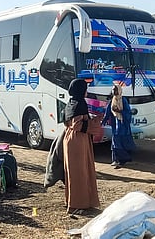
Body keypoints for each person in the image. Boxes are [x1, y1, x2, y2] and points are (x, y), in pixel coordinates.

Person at [62, 79, 99, 214]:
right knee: (79, 173)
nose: (86, 91)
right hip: (77, 140)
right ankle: (77, 204)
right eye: (85, 88)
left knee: (77, 171)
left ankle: (79, 202)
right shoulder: (79, 104)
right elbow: (77, 125)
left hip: (72, 138)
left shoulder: (71, 103)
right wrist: (96, 121)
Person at [102, 84, 135, 169]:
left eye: (115, 90)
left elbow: (128, 113)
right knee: (115, 143)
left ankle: (122, 160)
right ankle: (116, 160)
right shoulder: (112, 101)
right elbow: (108, 112)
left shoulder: (123, 100)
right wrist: (103, 121)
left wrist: (120, 111)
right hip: (115, 125)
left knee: (122, 143)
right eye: (113, 90)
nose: (114, 92)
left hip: (123, 125)